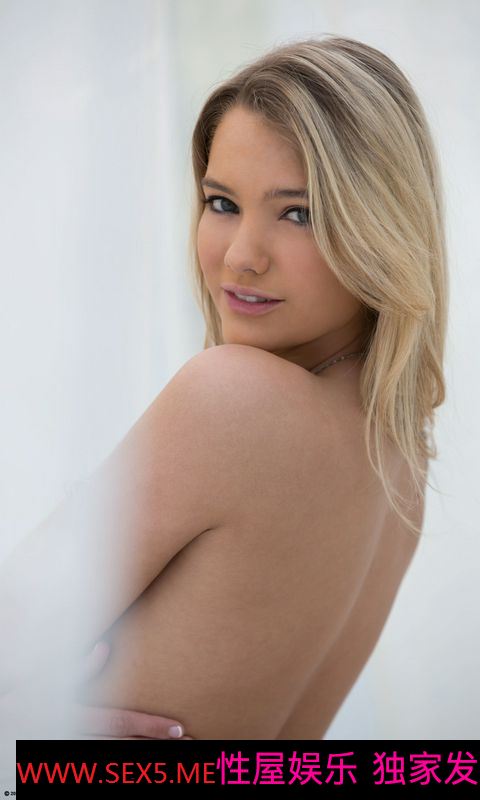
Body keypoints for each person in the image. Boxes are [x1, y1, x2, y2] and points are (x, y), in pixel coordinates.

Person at [1, 34, 448, 741]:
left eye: (297, 213)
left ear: (380, 226)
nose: (240, 257)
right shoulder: (401, 467)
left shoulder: (232, 399)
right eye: (221, 202)